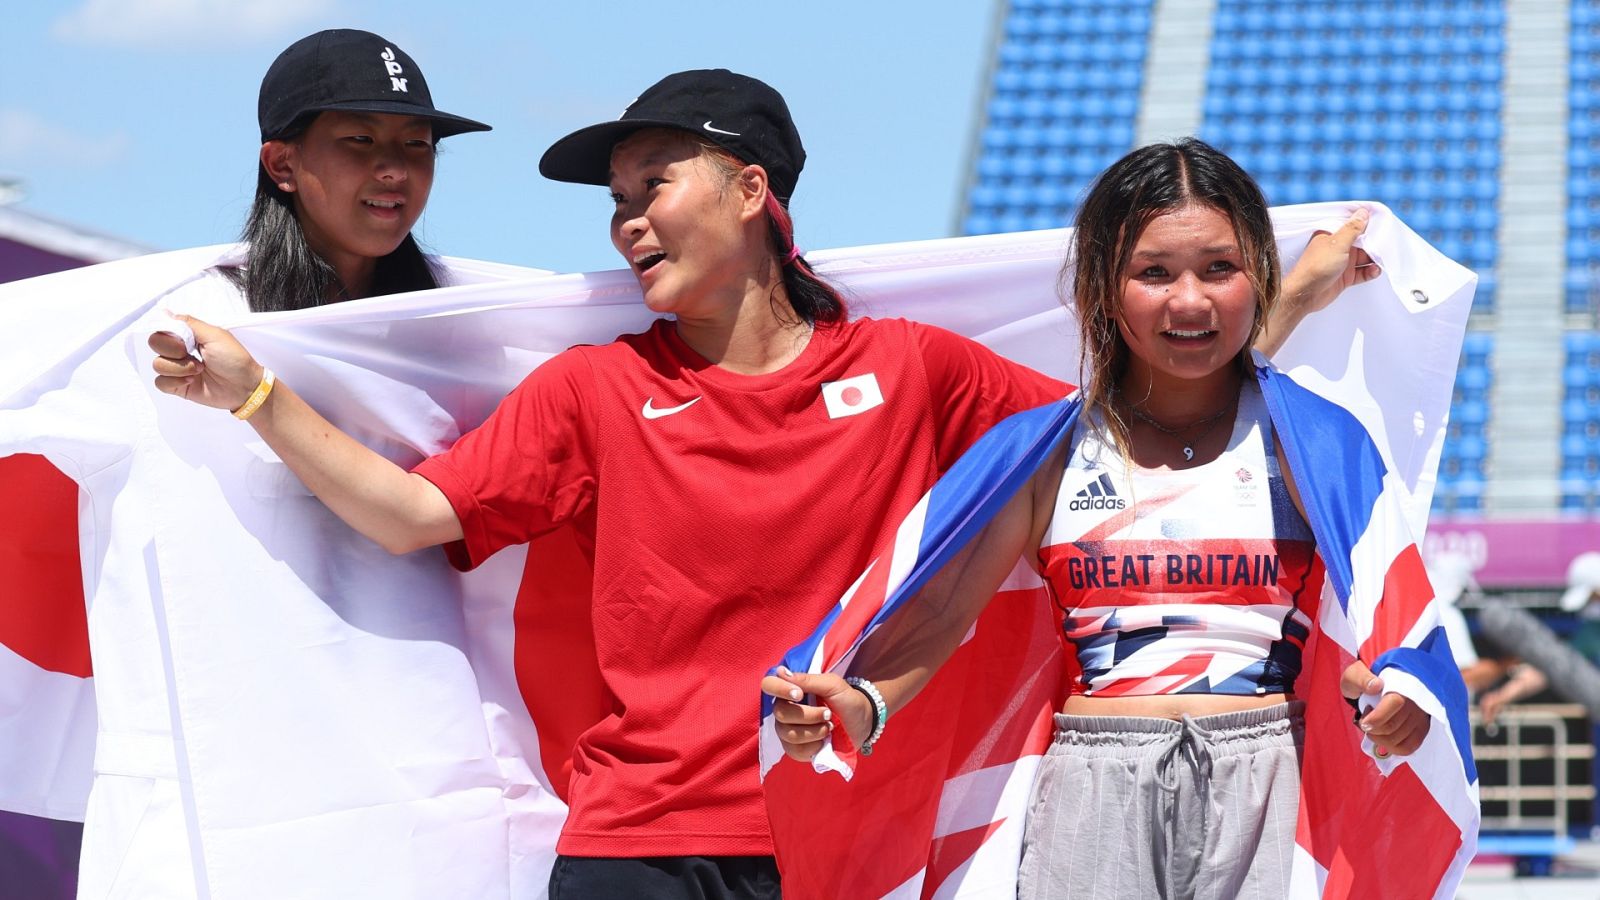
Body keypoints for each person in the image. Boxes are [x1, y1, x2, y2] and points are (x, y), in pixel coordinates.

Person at [150, 71, 1370, 899]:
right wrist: (260, 398)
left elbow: (1115, 408)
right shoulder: (592, 389)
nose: (627, 224)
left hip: (835, 834)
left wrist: (1294, 295)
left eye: (652, 188)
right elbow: (414, 515)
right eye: (618, 202)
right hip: (632, 846)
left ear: (750, 191)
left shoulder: (911, 371)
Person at [763, 139, 1423, 898]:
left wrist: (1406, 684)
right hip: (1091, 790)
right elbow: (944, 606)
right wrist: (868, 697)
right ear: (1103, 288)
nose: (1189, 300)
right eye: (1153, 272)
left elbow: (1386, 597)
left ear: (1258, 277)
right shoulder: (1045, 450)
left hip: (1272, 780)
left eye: (1219, 268)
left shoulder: (1312, 441)